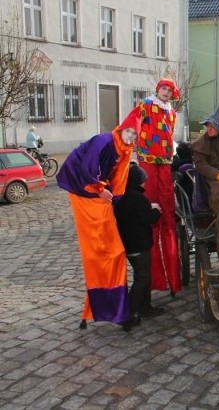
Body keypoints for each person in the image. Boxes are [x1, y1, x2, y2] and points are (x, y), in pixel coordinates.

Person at [56, 104, 144, 332]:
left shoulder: (124, 151)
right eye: (129, 132)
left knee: (112, 254)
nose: (131, 136)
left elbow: (119, 181)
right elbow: (88, 168)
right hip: (84, 191)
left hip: (97, 194)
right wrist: (100, 189)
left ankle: (113, 310)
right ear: (121, 128)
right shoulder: (104, 140)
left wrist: (114, 197)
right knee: (105, 254)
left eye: (135, 134)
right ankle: (113, 310)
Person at [135, 78, 182, 296]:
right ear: (157, 89)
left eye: (170, 90)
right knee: (152, 213)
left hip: (164, 161)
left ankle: (173, 278)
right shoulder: (145, 104)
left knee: (168, 217)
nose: (166, 92)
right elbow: (131, 125)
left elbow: (169, 135)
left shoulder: (172, 112)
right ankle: (155, 278)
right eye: (164, 88)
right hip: (147, 159)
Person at [114, 163, 163, 326]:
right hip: (139, 245)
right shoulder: (137, 197)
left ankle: (145, 307)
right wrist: (156, 210)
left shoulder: (122, 196)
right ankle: (128, 313)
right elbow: (148, 218)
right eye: (143, 180)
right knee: (142, 279)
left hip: (128, 244)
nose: (145, 183)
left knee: (144, 277)